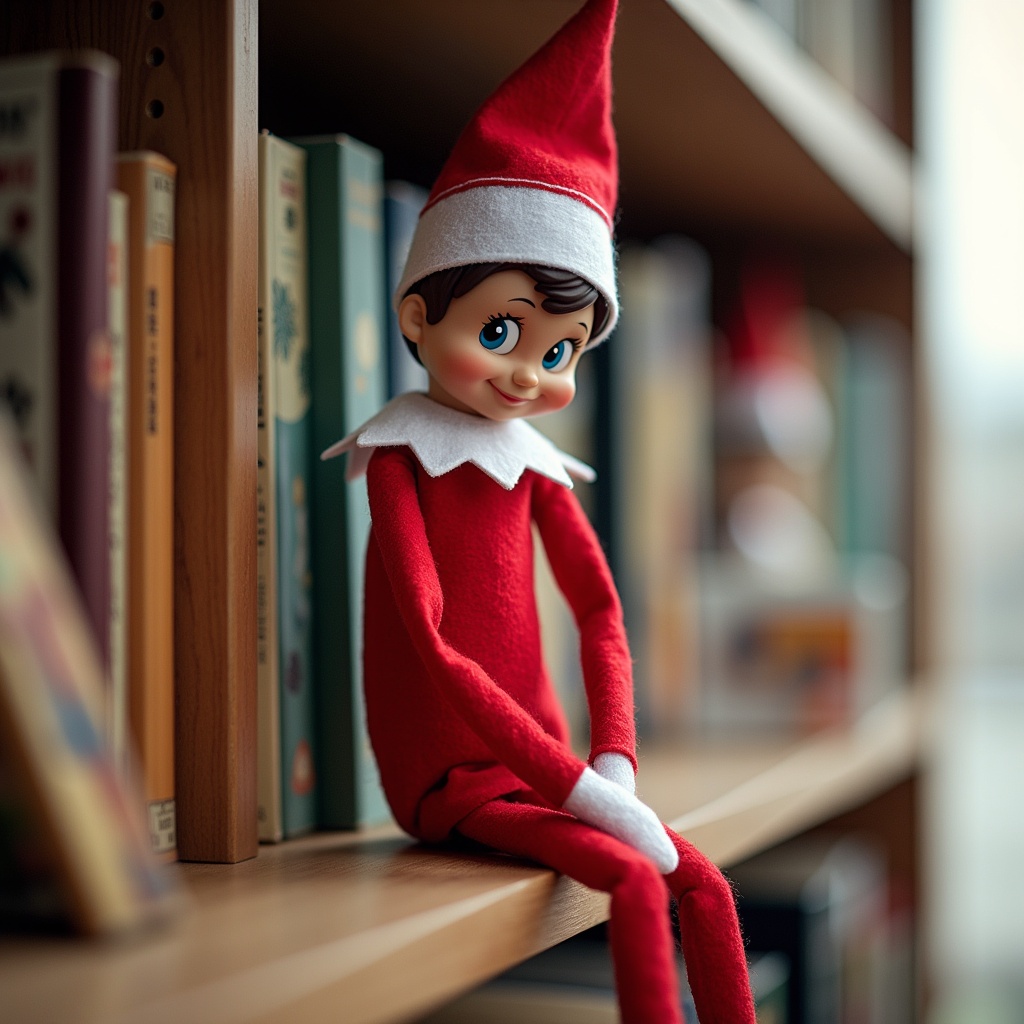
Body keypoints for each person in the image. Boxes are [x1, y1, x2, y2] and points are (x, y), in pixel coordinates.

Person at [323, 3, 756, 1020]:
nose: (526, 374)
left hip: (552, 768)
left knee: (702, 876)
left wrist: (614, 757)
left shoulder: (533, 467)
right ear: (417, 315)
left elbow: (601, 611)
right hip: (453, 785)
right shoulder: (402, 457)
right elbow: (431, 645)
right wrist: (575, 787)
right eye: (503, 330)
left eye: (557, 351)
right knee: (641, 881)